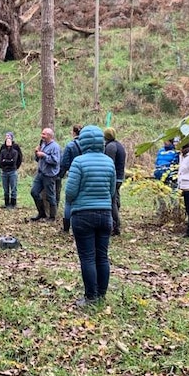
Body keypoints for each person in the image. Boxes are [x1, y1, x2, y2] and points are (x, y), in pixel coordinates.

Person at [64, 125, 116, 307]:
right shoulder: (109, 162)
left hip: (83, 215)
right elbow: (111, 191)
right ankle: (101, 294)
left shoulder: (78, 162)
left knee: (87, 257)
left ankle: (91, 296)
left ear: (83, 141)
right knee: (102, 256)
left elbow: (70, 192)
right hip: (105, 214)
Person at [30, 128, 61, 222]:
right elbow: (37, 159)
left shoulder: (55, 147)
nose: (42, 136)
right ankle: (41, 213)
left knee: (50, 196)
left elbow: (55, 161)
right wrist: (37, 153)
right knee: (34, 192)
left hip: (49, 175)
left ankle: (52, 217)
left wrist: (44, 155)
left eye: (44, 134)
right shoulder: (42, 144)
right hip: (40, 173)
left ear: (49, 136)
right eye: (42, 134)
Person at [59, 124, 83, 232]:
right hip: (85, 176)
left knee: (69, 201)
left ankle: (66, 227)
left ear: (73, 132)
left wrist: (60, 175)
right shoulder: (86, 145)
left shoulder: (70, 146)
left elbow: (64, 163)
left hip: (72, 175)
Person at [103, 127, 127, 236]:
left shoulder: (111, 147)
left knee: (112, 202)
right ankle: (116, 223)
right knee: (116, 199)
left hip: (114, 178)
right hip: (119, 177)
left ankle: (115, 225)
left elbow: (109, 164)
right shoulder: (119, 145)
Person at [0, 132, 23, 209]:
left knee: (13, 187)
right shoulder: (2, 148)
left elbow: (19, 157)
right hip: (4, 170)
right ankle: (6, 203)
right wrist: (3, 164)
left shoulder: (16, 147)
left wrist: (15, 165)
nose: (7, 138)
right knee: (5, 188)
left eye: (9, 136)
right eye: (6, 136)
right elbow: (0, 159)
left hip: (13, 169)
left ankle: (13, 203)